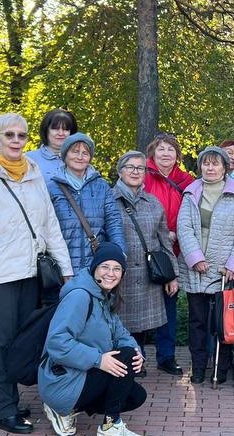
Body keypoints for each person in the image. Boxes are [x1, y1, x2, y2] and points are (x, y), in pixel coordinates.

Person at [0, 113, 73, 434]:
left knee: (21, 342)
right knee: (0, 342)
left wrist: (66, 270)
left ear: (27, 140)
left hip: (32, 273)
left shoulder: (35, 175)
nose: (15, 141)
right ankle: (3, 409)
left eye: (21, 135)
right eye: (8, 135)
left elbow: (50, 226)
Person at [39, 242, 149, 436]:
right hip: (60, 380)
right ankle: (110, 428)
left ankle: (67, 411)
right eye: (105, 267)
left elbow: (121, 334)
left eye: (117, 268)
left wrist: (137, 353)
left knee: (135, 395)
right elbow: (57, 343)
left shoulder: (104, 296)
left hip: (80, 375)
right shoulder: (80, 296)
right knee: (123, 358)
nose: (111, 273)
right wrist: (98, 360)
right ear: (94, 268)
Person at [176, 146, 234, 384]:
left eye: (215, 164)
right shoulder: (191, 193)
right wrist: (195, 257)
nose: (210, 168)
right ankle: (198, 368)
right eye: (206, 164)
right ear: (200, 167)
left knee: (223, 321)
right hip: (197, 268)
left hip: (224, 271)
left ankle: (221, 368)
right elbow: (184, 228)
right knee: (198, 321)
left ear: (225, 167)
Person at [112, 150, 180, 376]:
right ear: (120, 171)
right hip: (120, 273)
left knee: (141, 321)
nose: (135, 172)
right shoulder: (109, 200)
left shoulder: (153, 203)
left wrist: (172, 275)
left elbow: (164, 241)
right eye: (130, 167)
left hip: (148, 273)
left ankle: (139, 360)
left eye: (140, 168)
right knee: (124, 320)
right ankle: (130, 359)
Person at [143, 132, 195, 374]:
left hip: (172, 254)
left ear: (177, 155)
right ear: (153, 152)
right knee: (138, 307)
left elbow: (193, 216)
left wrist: (176, 234)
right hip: (143, 251)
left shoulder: (187, 181)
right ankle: (137, 356)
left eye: (170, 150)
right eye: (161, 149)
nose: (165, 154)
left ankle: (166, 356)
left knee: (168, 306)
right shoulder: (141, 175)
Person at [45, 132, 125, 274]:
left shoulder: (101, 186)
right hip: (62, 266)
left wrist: (119, 253)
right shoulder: (51, 187)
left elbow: (113, 222)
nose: (80, 157)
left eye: (85, 153)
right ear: (65, 155)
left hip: (95, 264)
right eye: (75, 152)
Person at [26, 108, 77, 181]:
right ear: (46, 130)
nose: (61, 133)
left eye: (65, 129)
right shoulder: (28, 160)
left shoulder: (80, 159)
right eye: (56, 129)